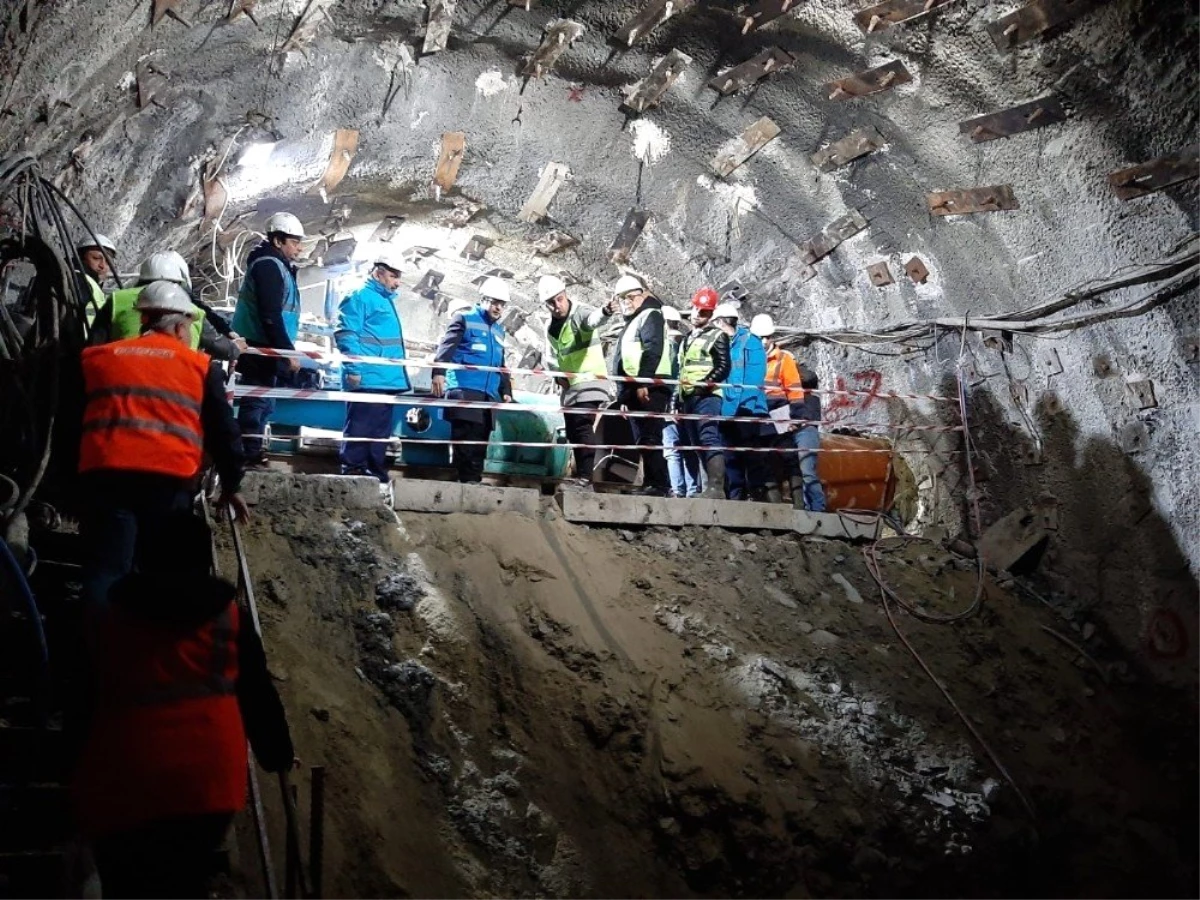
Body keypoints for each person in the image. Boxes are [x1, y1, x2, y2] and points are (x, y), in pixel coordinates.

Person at [73, 514, 294, 900]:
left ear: (145, 556)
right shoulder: (231, 620)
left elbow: (84, 697)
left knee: (125, 886)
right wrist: (276, 753)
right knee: (184, 882)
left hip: (125, 779)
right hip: (206, 786)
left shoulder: (111, 620)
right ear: (203, 558)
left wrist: (73, 769)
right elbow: (257, 693)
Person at [77, 281, 248, 614]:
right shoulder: (198, 367)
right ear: (182, 326)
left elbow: (74, 416)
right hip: (168, 483)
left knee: (108, 569)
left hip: (106, 477)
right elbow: (223, 431)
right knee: (162, 571)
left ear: (144, 320)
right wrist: (232, 485)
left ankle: (98, 650)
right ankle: (150, 650)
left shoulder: (98, 358)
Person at [232, 212, 306, 466]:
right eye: (294, 242)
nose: (299, 247)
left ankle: (252, 450)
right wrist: (287, 351)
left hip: (266, 345)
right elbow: (270, 315)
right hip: (259, 346)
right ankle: (247, 453)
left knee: (264, 401)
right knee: (256, 400)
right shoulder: (268, 266)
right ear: (278, 241)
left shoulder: (278, 266)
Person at [334, 250, 411, 484]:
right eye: (394, 276)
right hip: (368, 378)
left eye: (399, 277)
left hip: (385, 379)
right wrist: (354, 370)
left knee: (378, 433)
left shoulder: (383, 299)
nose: (397, 283)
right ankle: (354, 471)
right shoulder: (360, 295)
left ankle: (375, 473)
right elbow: (346, 334)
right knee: (360, 428)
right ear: (379, 273)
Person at [431, 277, 513, 483]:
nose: (498, 308)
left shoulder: (498, 331)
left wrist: (506, 388)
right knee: (466, 443)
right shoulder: (464, 320)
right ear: (483, 299)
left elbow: (500, 362)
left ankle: (473, 482)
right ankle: (465, 483)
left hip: (487, 395)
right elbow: (446, 347)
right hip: (465, 389)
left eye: (502, 304)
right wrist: (438, 373)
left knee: (480, 443)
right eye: (495, 302)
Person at [92, 250, 243, 361]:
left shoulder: (117, 299)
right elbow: (223, 349)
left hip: (121, 382)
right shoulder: (191, 311)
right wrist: (235, 347)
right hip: (179, 387)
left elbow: (94, 345)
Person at [539, 274, 613, 484]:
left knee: (581, 426)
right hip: (571, 386)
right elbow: (551, 356)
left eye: (559, 299)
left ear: (566, 294)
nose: (556, 305)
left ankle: (585, 477)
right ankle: (581, 473)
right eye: (551, 303)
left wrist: (606, 311)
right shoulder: (550, 327)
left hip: (590, 381)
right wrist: (557, 376)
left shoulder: (580, 312)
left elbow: (593, 321)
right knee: (573, 430)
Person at [751, 313, 824, 508]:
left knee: (792, 459)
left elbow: (794, 390)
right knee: (764, 459)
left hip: (780, 413)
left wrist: (795, 417)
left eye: (767, 337)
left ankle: (803, 506)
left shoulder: (783, 359)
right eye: (760, 337)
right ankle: (775, 506)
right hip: (759, 415)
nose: (764, 341)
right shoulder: (749, 358)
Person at [609, 274, 672, 497]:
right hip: (636, 389)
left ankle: (660, 485)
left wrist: (644, 381)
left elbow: (652, 349)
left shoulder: (651, 315)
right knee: (642, 439)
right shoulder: (634, 320)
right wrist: (624, 397)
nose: (627, 302)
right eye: (623, 298)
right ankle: (652, 482)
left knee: (650, 437)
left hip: (651, 387)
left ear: (641, 295)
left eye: (630, 297)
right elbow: (623, 360)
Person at [674, 287, 728, 499]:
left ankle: (716, 488)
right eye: (696, 309)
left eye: (703, 311)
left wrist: (705, 384)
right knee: (696, 439)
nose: (697, 314)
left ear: (711, 314)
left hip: (707, 396)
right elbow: (682, 370)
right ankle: (709, 488)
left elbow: (724, 366)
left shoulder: (718, 336)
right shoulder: (688, 338)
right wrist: (676, 399)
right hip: (688, 395)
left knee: (708, 436)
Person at [712, 303, 769, 501]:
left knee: (751, 453)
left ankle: (757, 492)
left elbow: (755, 375)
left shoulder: (750, 342)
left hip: (748, 407)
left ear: (720, 322)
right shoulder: (720, 343)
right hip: (726, 408)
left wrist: (745, 405)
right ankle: (736, 494)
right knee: (730, 455)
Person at [660, 305, 700, 498]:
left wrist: (672, 405)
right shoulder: (685, 345)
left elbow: (675, 379)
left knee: (673, 450)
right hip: (686, 403)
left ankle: (679, 491)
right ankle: (692, 491)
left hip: (673, 405)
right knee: (687, 449)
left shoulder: (668, 349)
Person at [77, 233, 117, 320]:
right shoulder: (79, 280)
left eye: (108, 262)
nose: (103, 265)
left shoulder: (92, 284)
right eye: (96, 258)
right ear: (81, 257)